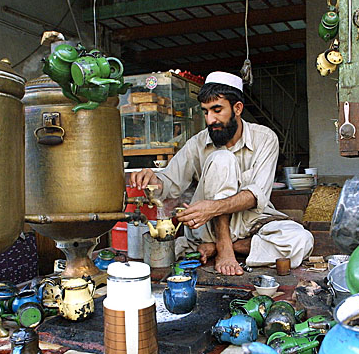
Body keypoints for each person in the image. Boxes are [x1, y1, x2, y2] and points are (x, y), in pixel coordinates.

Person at [129, 71, 313, 276]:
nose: (210, 119)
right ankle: (224, 244)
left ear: (237, 108)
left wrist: (214, 207)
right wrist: (154, 180)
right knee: (222, 158)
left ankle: (224, 247)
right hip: (208, 227)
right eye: (206, 112)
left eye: (217, 110)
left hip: (248, 223)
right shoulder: (198, 142)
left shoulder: (265, 139)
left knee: (302, 241)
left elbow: (255, 195)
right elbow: (170, 182)